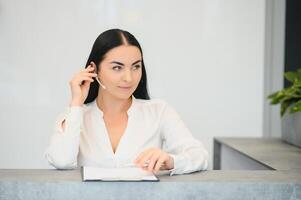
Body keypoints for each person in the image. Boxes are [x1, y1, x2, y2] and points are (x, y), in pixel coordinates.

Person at [44, 29, 208, 176]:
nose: (129, 78)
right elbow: (61, 160)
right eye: (117, 68)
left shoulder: (158, 111)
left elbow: (199, 156)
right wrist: (76, 103)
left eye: (136, 67)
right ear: (94, 70)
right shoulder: (76, 115)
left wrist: (170, 161)